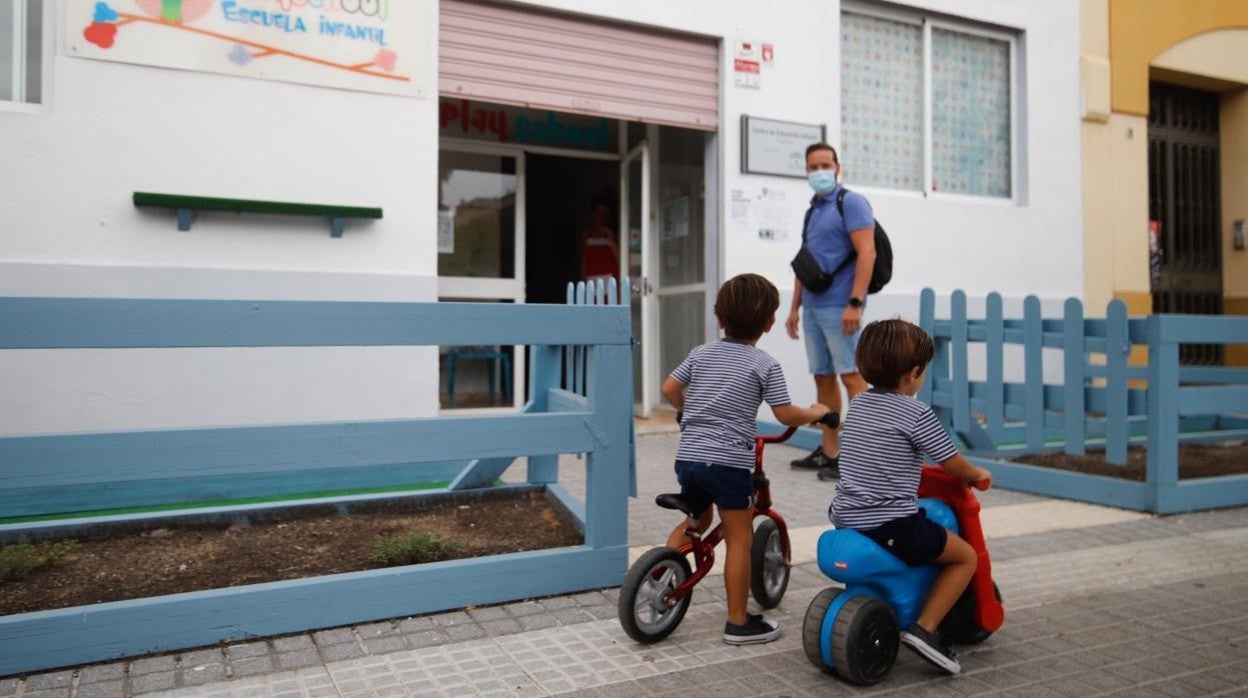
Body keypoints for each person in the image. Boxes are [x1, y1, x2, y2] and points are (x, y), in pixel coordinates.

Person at [662, 273, 831, 645]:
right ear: (770, 323)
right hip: (728, 464)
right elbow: (785, 415)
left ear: (719, 317)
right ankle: (738, 622)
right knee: (740, 538)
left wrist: (687, 411)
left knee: (696, 517)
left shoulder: (701, 352)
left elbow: (669, 387)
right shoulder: (764, 364)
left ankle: (659, 576)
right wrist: (814, 412)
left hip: (689, 457)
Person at [830, 319, 993, 674]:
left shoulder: (857, 405)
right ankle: (926, 628)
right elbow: (950, 462)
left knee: (924, 528)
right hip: (890, 524)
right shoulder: (916, 413)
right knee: (964, 557)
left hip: (845, 516)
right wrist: (976, 474)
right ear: (914, 373)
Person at [786, 143, 876, 482]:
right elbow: (803, 263)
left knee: (852, 376)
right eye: (813, 166)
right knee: (822, 377)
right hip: (812, 307)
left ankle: (862, 458)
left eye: (825, 164)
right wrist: (794, 307)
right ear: (807, 170)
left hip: (841, 306)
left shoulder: (850, 203)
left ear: (837, 167)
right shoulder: (812, 210)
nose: (819, 171)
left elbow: (867, 253)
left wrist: (856, 303)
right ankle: (831, 451)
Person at [580, 194, 620, 283]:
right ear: (593, 214)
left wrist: (612, 240)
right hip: (592, 279)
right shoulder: (587, 233)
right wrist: (582, 280)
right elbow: (584, 260)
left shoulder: (614, 233)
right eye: (599, 212)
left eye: (605, 212)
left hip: (611, 279)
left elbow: (620, 260)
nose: (602, 216)